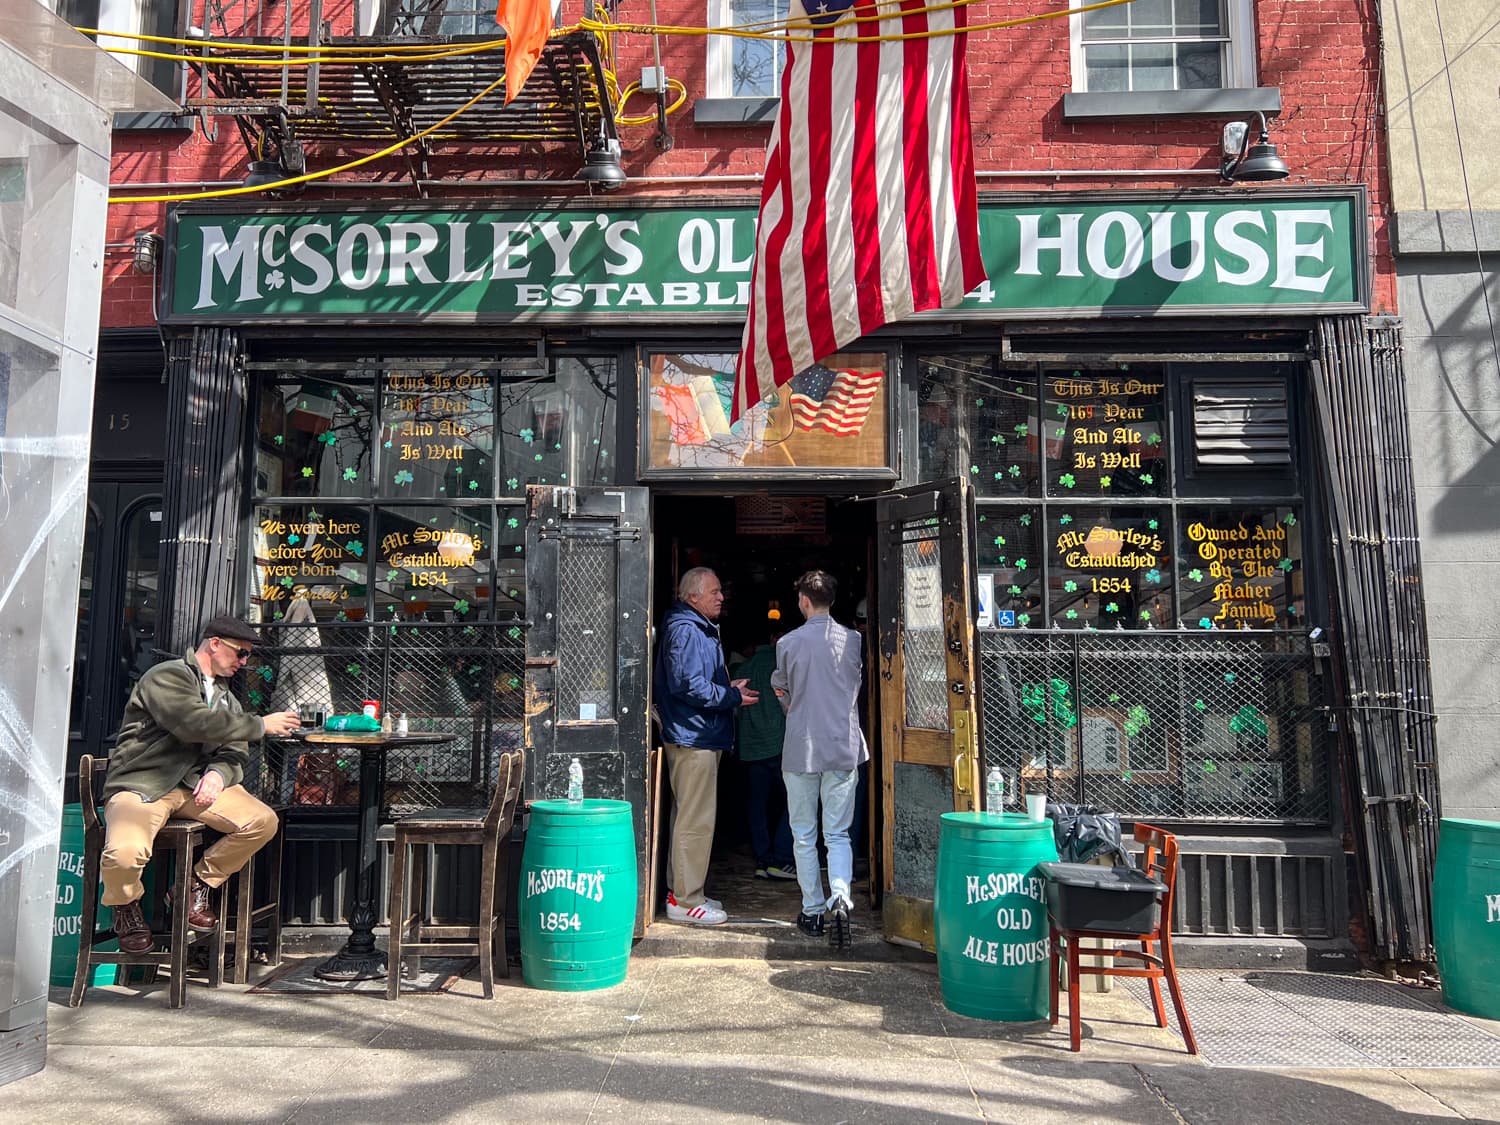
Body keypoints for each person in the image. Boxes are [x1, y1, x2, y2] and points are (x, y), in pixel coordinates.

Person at [100, 614, 302, 953]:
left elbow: (235, 750)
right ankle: (126, 907)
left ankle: (193, 886)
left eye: (247, 656)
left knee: (262, 821)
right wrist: (260, 725)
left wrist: (218, 774)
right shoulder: (167, 676)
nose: (244, 662)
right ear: (215, 644)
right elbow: (194, 723)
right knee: (124, 854)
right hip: (144, 785)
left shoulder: (226, 698)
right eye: (240, 653)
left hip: (194, 788)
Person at [655, 567, 759, 925]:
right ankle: (685, 901)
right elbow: (686, 685)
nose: (721, 597)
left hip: (695, 734)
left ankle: (682, 892)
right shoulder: (686, 629)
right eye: (714, 591)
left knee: (688, 818)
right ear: (693, 596)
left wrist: (729, 688)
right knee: (695, 822)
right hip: (694, 736)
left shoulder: (692, 627)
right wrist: (731, 696)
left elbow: (693, 682)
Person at [772, 570, 867, 949]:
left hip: (802, 745)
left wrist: (789, 706)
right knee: (838, 833)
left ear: (804, 601)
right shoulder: (854, 640)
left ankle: (812, 909)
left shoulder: (789, 643)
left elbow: (782, 685)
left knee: (804, 834)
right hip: (842, 744)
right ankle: (840, 897)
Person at [729, 619, 796, 882]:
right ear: (776, 640)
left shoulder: (741, 668)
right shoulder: (784, 668)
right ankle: (780, 857)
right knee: (797, 801)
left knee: (756, 804)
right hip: (782, 746)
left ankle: (762, 859)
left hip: (752, 750)